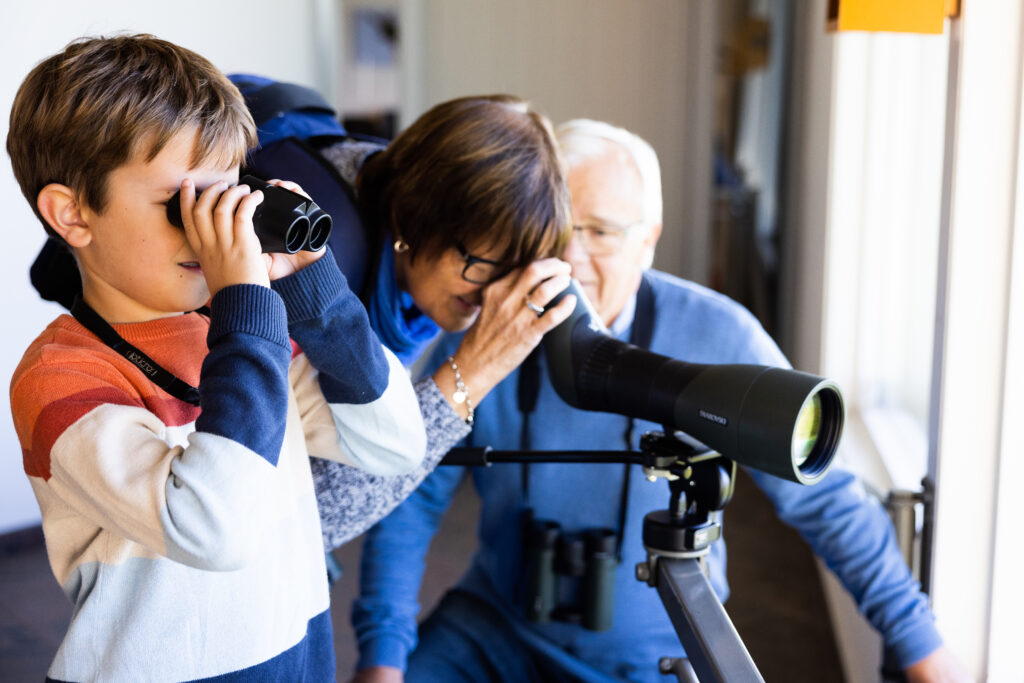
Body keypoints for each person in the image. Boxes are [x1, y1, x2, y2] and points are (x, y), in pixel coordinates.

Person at [348, 119, 972, 682]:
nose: (573, 256)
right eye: (561, 230)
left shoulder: (720, 333)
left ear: (649, 238)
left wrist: (923, 649)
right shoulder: (493, 324)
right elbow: (412, 495)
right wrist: (381, 659)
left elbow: (828, 501)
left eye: (602, 233)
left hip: (651, 650)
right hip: (497, 626)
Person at [6, 34, 426, 681]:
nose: (214, 224)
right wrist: (247, 308)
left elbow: (394, 444)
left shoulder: (242, 338)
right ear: (73, 214)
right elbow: (213, 528)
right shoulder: (63, 378)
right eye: (181, 201)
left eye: (226, 191)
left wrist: (317, 293)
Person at [306, 94, 577, 548]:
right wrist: (475, 370)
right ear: (411, 215)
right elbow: (302, 517)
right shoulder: (308, 273)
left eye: (514, 269)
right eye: (482, 263)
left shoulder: (400, 254)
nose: (493, 294)